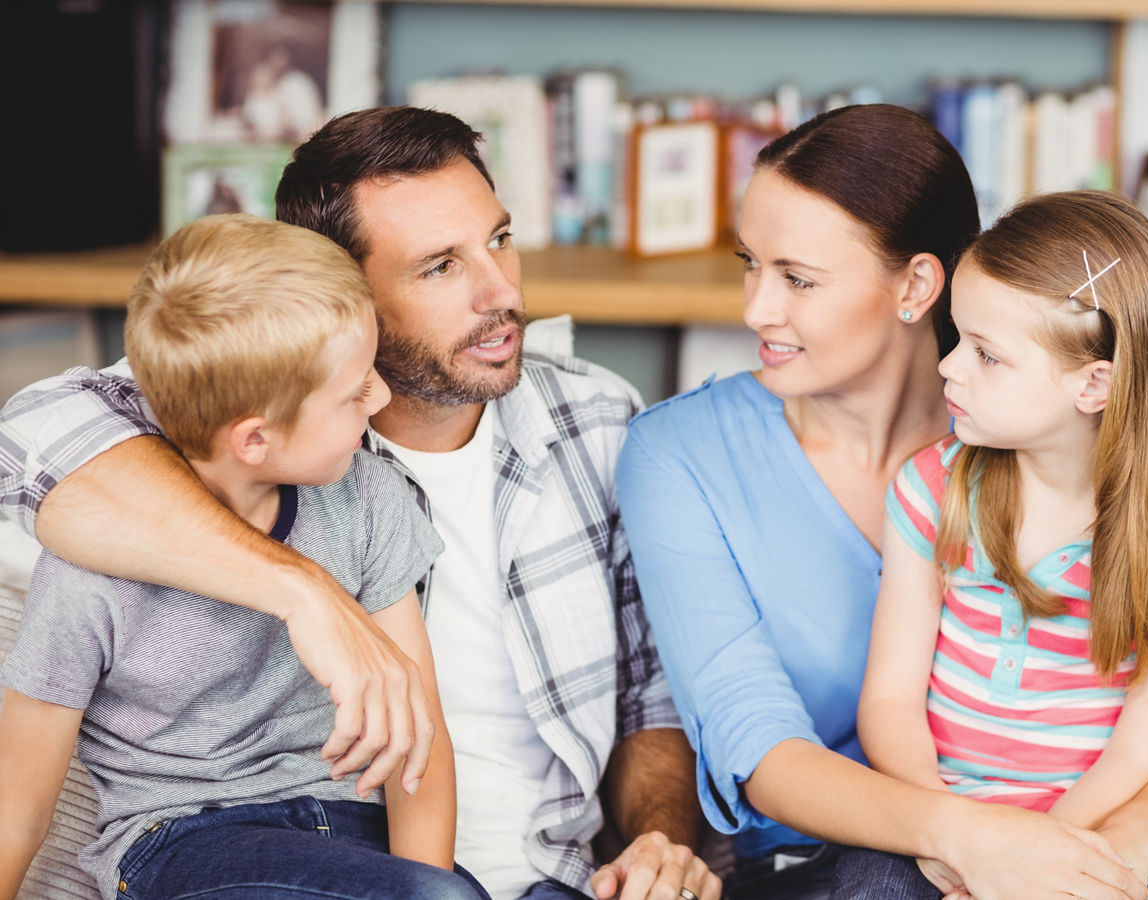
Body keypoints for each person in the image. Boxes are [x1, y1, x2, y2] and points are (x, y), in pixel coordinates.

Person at [0, 108, 715, 900]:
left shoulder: (598, 418)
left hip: (542, 875)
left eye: (500, 239)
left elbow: (649, 692)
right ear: (340, 289)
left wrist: (660, 843)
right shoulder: (248, 398)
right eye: (440, 266)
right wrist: (301, 590)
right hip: (261, 857)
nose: (502, 291)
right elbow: (29, 439)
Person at [616, 104, 1148, 900]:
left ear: (917, 283)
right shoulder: (680, 456)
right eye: (750, 262)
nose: (755, 310)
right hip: (847, 866)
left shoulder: (1046, 444)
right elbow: (762, 753)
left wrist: (1093, 860)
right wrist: (973, 845)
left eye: (798, 278)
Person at [0, 214, 483, 900]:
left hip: (354, 836)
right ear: (255, 439)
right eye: (353, 394)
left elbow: (418, 748)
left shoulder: (368, 499)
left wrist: (426, 883)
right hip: (183, 845)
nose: (380, 398)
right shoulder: (86, 572)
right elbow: (17, 809)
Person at [845, 190, 1148, 900]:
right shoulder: (932, 490)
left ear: (1093, 384)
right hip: (938, 824)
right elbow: (889, 701)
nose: (948, 368)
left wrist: (1033, 863)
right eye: (957, 338)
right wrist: (954, 838)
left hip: (1094, 833)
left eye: (987, 355)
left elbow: (1140, 752)